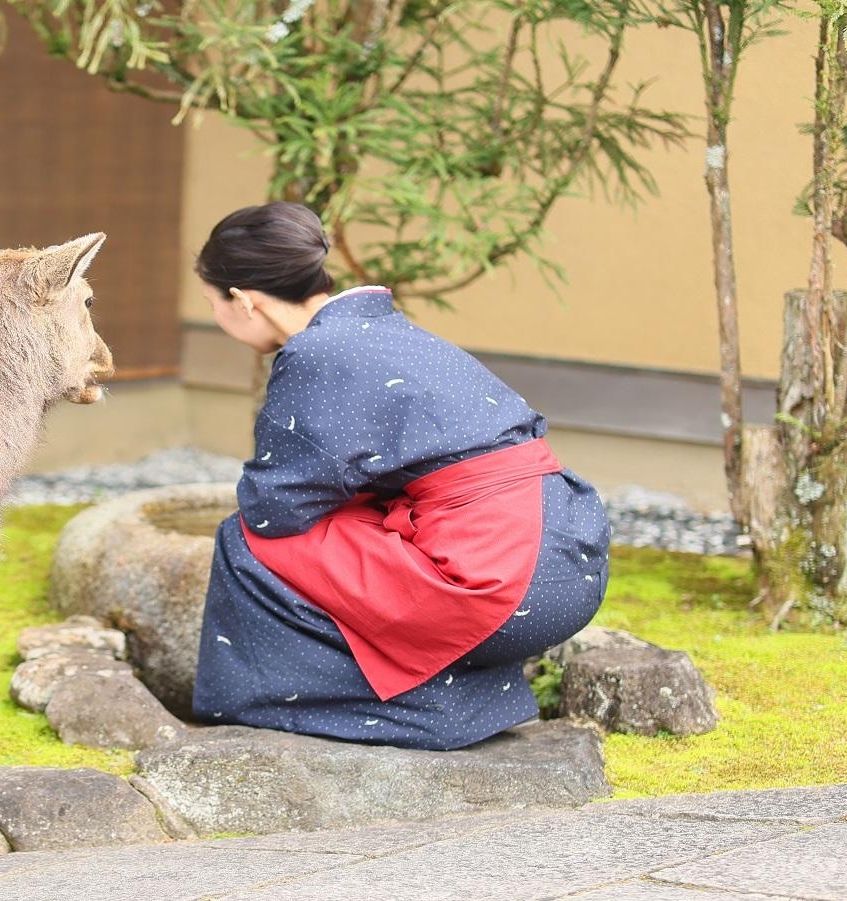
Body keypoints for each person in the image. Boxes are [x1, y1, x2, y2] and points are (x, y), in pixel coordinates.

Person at [191, 202, 612, 750]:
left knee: (250, 539)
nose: (216, 318)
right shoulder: (383, 328)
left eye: (212, 304)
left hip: (500, 578)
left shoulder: (317, 350)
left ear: (244, 301)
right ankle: (466, 700)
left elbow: (275, 506)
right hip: (571, 559)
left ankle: (410, 711)